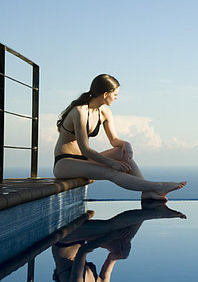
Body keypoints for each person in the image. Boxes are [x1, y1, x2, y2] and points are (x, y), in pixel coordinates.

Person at [54, 74, 186, 201]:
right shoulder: (80, 112)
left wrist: (125, 144)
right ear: (105, 94)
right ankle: (158, 186)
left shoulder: (105, 112)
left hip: (85, 160)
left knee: (121, 152)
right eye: (115, 94)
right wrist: (112, 163)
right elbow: (85, 149)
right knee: (111, 172)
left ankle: (147, 192)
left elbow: (114, 141)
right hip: (65, 162)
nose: (116, 98)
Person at [52, 203, 186, 282]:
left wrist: (111, 236)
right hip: (82, 242)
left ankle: (155, 212)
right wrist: (120, 255)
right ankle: (149, 206)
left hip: (65, 241)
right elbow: (112, 257)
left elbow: (83, 252)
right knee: (122, 244)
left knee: (111, 227)